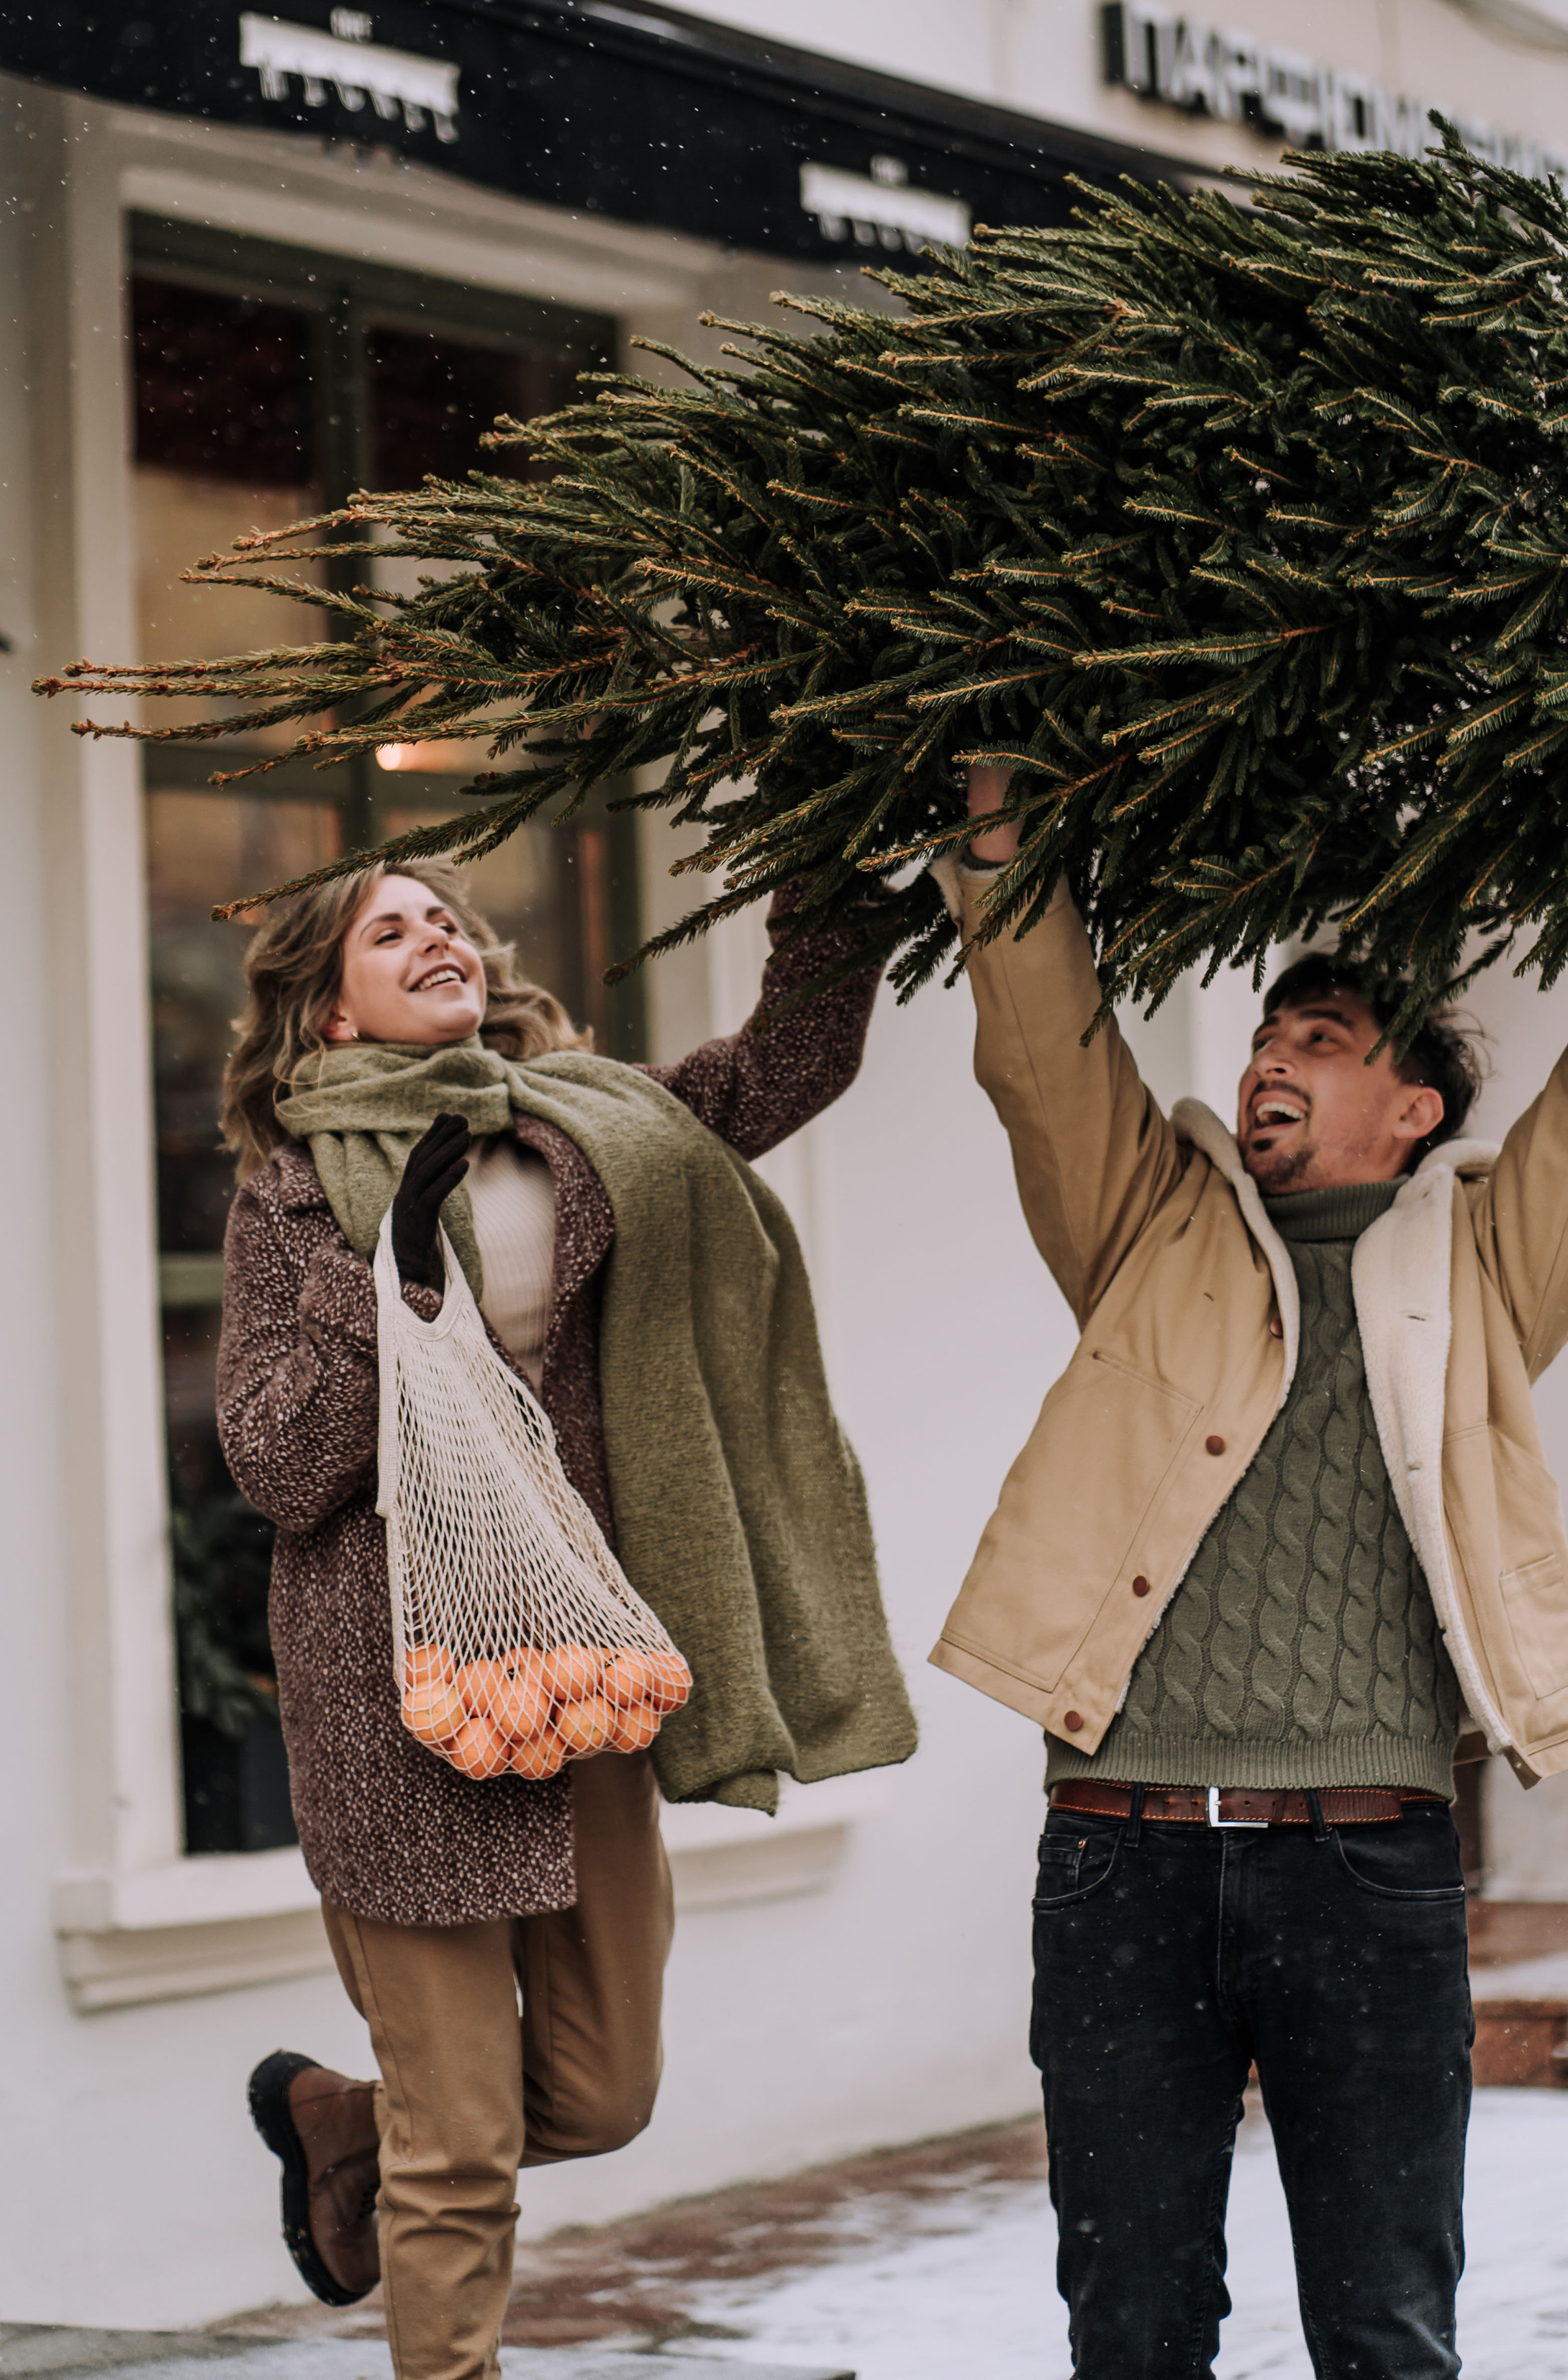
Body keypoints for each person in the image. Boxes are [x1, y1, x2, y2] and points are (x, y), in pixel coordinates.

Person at [214, 856, 915, 2380]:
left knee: (600, 2096)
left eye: (446, 918)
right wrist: (393, 1289)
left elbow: (780, 1066)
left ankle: (348, 2122)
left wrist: (836, 875)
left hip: (577, 1675)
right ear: (327, 1007)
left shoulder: (583, 1126)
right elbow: (273, 1462)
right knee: (461, 2149)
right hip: (399, 1710)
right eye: (388, 932)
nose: (436, 939)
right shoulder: (283, 1198)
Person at [934, 762, 1568, 2380]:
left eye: (1320, 1043)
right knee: (1132, 2332)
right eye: (1267, 1036)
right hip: (1116, 1867)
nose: (1269, 1061)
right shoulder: (1148, 1221)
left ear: (1410, 1110)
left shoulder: (1490, 1264)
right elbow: (1042, 1052)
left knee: (1383, 2330)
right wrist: (996, 815)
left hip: (1367, 1875)